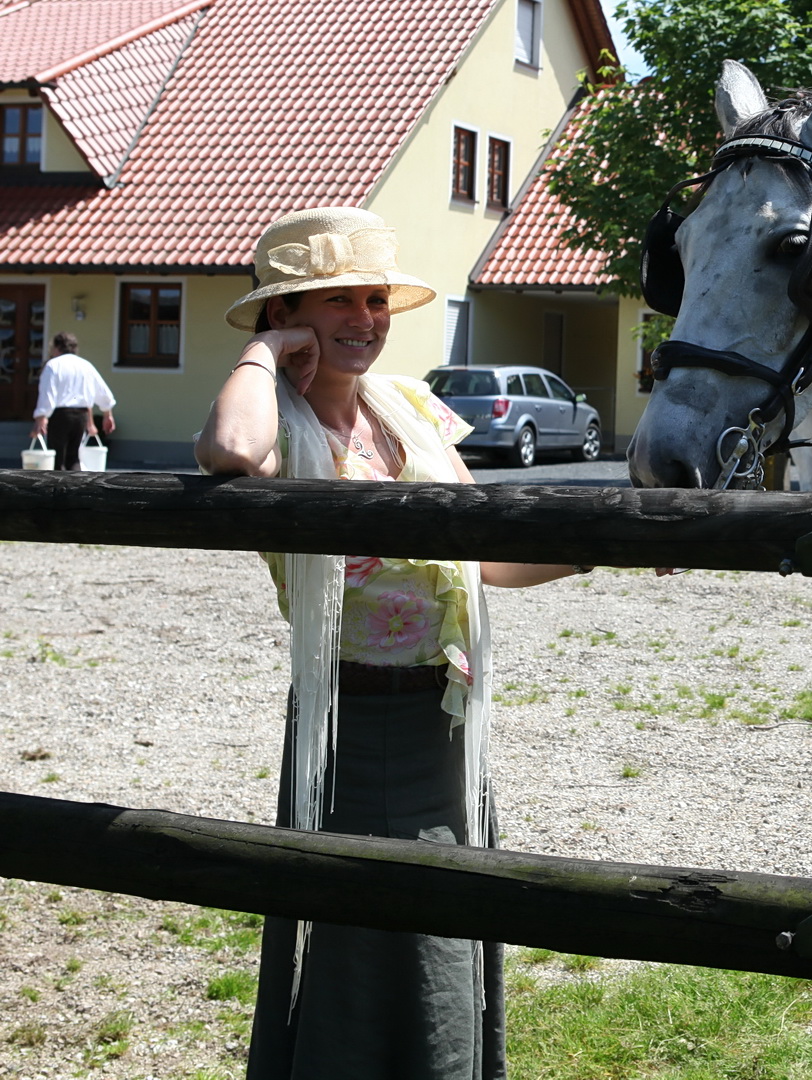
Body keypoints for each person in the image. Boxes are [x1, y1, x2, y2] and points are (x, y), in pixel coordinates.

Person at [196, 206, 587, 1080]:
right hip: (353, 721)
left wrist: (607, 551)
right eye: (332, 300)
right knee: (361, 923)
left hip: (444, 719)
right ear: (283, 312)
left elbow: (481, 557)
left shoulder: (411, 407)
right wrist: (264, 353)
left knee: (442, 917)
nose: (364, 318)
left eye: (373, 298)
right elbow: (227, 450)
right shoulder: (276, 428)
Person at [32, 332, 115, 470]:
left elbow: (47, 393)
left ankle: (59, 490)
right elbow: (102, 391)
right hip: (81, 415)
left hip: (60, 415)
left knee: (58, 458)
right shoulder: (85, 365)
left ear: (57, 347)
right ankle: (76, 490)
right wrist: (108, 414)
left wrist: (41, 417)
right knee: (74, 456)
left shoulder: (53, 365)